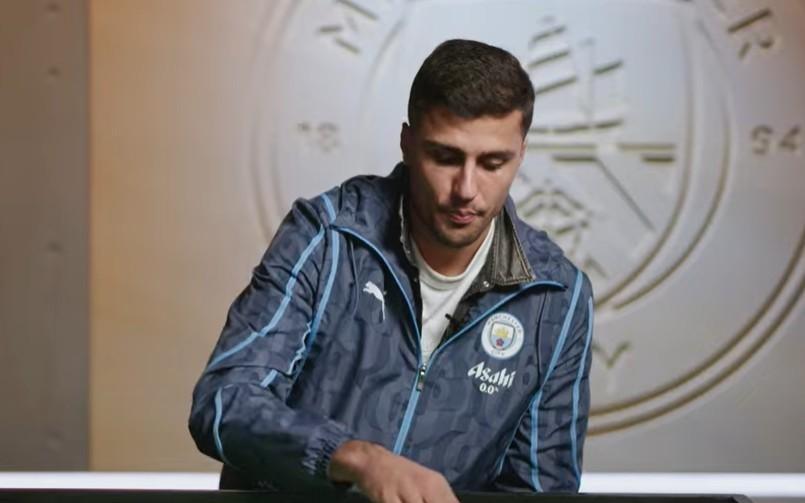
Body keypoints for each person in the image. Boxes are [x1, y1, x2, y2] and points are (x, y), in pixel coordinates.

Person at [189, 39, 594, 501]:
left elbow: (540, 491)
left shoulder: (556, 297)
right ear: (407, 143)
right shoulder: (328, 237)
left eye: (492, 163)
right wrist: (355, 459)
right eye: (445, 157)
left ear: (520, 154)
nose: (466, 188)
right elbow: (225, 404)